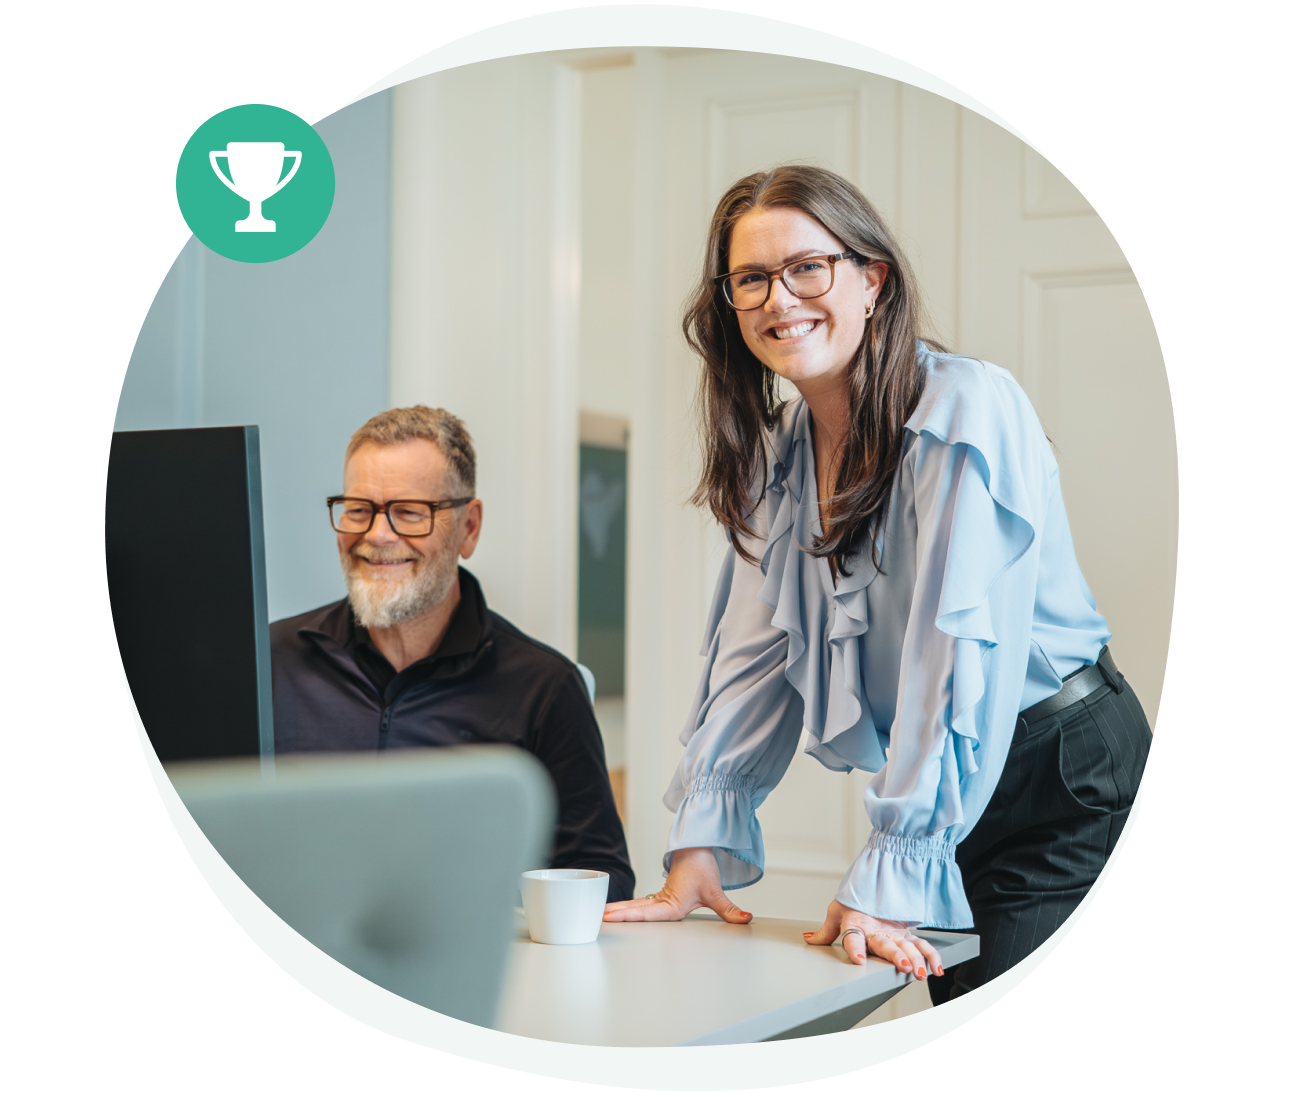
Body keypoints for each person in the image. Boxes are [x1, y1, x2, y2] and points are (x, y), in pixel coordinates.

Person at [602, 165, 1152, 1003]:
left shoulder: (968, 409)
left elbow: (952, 654)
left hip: (1062, 775)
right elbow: (754, 655)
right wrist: (701, 845)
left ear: (872, 280)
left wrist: (891, 867)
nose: (780, 299)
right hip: (957, 782)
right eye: (751, 278)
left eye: (808, 267)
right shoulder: (778, 452)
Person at [270, 406, 634, 902]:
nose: (377, 535)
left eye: (410, 513)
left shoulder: (545, 687)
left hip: (471, 962)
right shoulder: (268, 662)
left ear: (469, 528)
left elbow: (601, 876)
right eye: (358, 508)